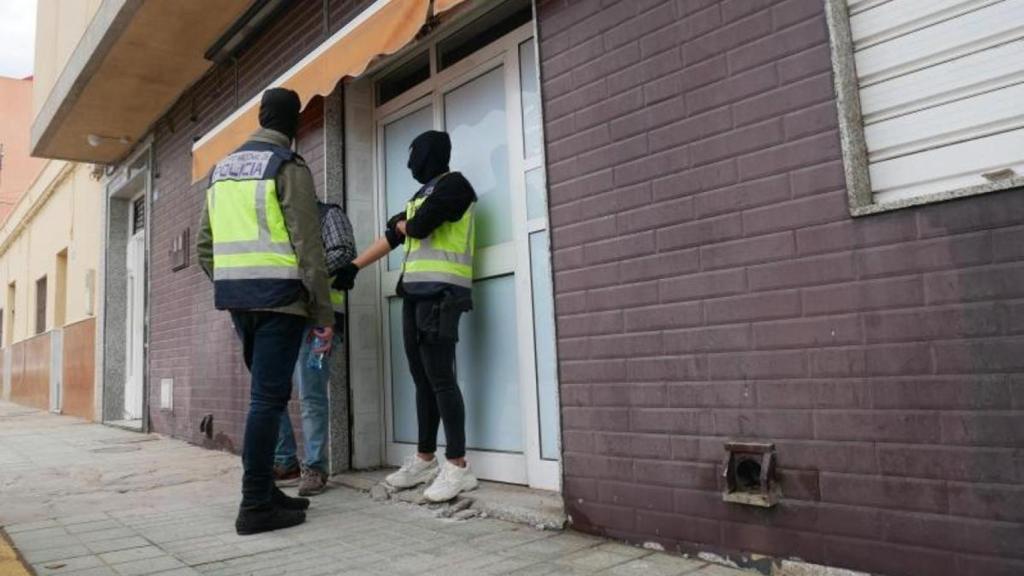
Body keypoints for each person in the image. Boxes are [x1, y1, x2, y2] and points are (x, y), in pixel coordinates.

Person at [197, 87, 335, 535]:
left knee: (265, 398)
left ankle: (268, 492)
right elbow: (308, 245)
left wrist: (235, 283)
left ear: (260, 118)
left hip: (240, 303)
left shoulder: (221, 170)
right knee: (267, 401)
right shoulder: (287, 166)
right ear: (293, 123)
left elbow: (204, 246)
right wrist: (323, 313)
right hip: (281, 301)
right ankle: (255, 504)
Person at [336, 130, 477, 502]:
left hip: (442, 294)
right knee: (422, 380)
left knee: (441, 379)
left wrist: (403, 224)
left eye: (414, 155)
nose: (410, 163)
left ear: (428, 154)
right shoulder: (420, 196)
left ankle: (458, 465)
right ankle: (425, 459)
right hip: (415, 295)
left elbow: (416, 228)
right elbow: (394, 235)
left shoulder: (455, 186)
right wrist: (354, 266)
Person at [273, 261, 346, 496]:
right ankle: (286, 463)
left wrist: (298, 272)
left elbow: (343, 255)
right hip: (280, 314)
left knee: (311, 397)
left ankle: (315, 468)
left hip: (317, 320)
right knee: (271, 395)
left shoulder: (325, 230)